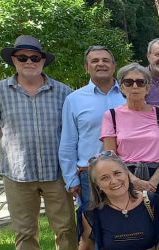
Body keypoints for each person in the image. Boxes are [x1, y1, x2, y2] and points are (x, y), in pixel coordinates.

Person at [0, 35, 78, 250]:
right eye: (22, 57)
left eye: (35, 57)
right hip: (17, 173)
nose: (29, 62)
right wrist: (14, 149)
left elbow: (72, 129)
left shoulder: (63, 92)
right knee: (24, 230)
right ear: (14, 60)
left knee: (66, 227)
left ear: (43, 60)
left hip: (55, 171)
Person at [60, 45, 125, 236]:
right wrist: (71, 180)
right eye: (94, 61)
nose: (101, 64)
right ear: (86, 67)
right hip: (90, 177)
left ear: (113, 66)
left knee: (125, 227)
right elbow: (68, 142)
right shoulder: (74, 99)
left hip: (127, 172)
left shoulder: (128, 93)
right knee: (94, 232)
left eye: (105, 60)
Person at [101, 63, 159, 202]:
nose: (135, 86)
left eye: (140, 82)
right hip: (124, 177)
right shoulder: (110, 115)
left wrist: (154, 180)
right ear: (122, 87)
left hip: (158, 176)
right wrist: (133, 180)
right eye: (129, 82)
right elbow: (111, 156)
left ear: (147, 88)